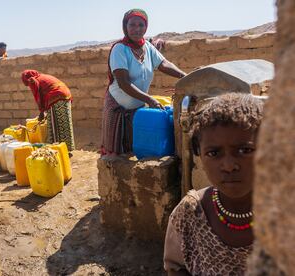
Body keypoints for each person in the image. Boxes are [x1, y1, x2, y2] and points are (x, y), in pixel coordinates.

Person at [164, 93, 264, 275]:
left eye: (245, 150)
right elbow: (175, 267)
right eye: (214, 153)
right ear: (200, 156)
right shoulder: (190, 213)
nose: (228, 166)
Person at [101, 9, 186, 156]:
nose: (137, 29)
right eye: (132, 25)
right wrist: (149, 99)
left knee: (136, 149)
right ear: (125, 26)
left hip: (137, 109)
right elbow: (124, 83)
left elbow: (163, 64)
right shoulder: (120, 49)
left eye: (141, 25)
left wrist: (185, 76)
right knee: (116, 155)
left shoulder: (147, 47)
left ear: (146, 27)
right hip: (118, 110)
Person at [21, 70, 75, 152]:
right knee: (64, 123)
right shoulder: (41, 77)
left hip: (56, 97)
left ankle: (56, 149)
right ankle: (66, 148)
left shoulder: (32, 81)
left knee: (54, 125)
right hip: (65, 94)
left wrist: (41, 112)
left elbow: (38, 98)